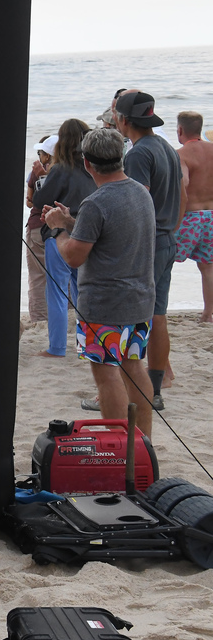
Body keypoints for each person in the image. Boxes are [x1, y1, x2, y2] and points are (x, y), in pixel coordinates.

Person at [43, 128, 156, 444]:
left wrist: (56, 231)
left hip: (105, 306)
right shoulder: (140, 192)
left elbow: (74, 257)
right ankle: (141, 444)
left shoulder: (96, 203)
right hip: (140, 299)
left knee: (106, 376)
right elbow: (111, 234)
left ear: (87, 164)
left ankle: (119, 449)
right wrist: (69, 221)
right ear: (120, 158)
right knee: (134, 368)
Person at [114, 90, 181, 408]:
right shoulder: (166, 147)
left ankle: (135, 389)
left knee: (132, 317)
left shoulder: (138, 154)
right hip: (167, 237)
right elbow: (182, 192)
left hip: (148, 243)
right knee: (158, 315)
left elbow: (136, 202)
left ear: (124, 120)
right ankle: (154, 390)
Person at [31, 120, 95, 358]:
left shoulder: (60, 168)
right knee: (83, 291)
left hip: (59, 233)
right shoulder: (92, 167)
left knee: (57, 290)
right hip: (86, 232)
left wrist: (40, 178)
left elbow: (40, 201)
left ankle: (57, 347)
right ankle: (87, 346)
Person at [174, 111, 213, 322]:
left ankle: (157, 309)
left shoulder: (181, 154)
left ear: (180, 130)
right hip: (212, 216)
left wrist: (175, 219)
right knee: (208, 267)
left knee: (164, 261)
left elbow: (184, 185)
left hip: (190, 217)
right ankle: (208, 314)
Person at [23, 134, 56, 326]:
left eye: (41, 152)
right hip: (61, 227)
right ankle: (68, 315)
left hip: (37, 225)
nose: (39, 156)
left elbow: (30, 201)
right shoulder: (69, 171)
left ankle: (39, 320)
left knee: (37, 276)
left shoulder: (36, 172)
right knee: (63, 276)